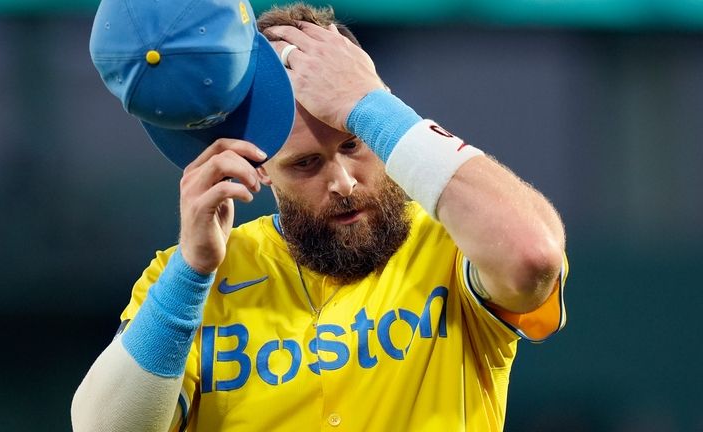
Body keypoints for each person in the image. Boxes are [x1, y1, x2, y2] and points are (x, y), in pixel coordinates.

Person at [72, 3, 568, 431]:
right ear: (259, 168)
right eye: (306, 163)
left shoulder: (452, 243)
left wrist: (369, 104)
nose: (344, 182)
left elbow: (532, 257)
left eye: (356, 143)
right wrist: (192, 270)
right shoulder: (193, 278)